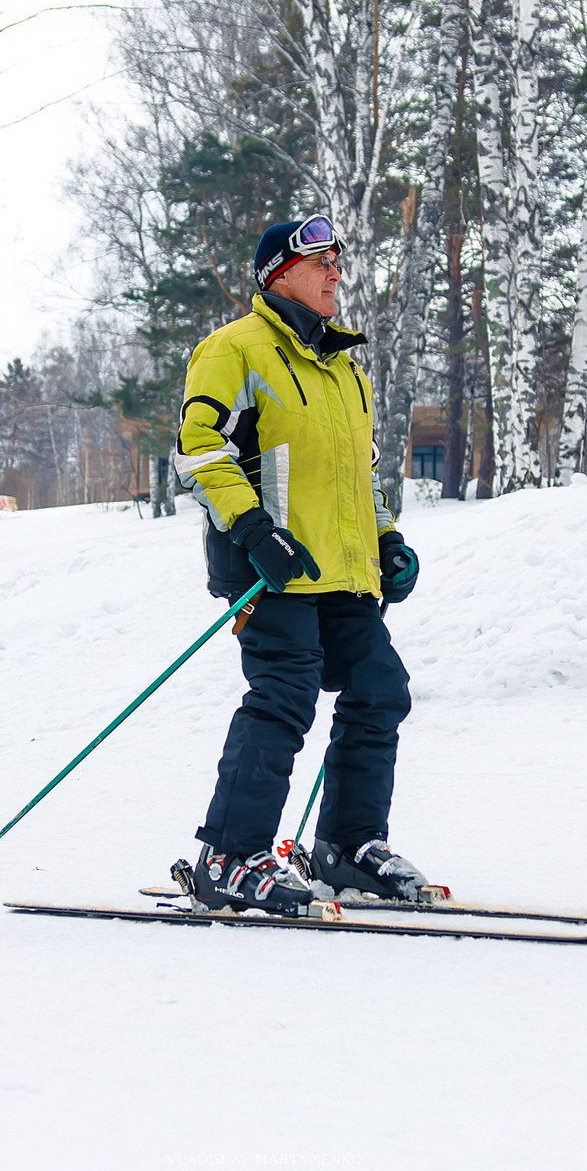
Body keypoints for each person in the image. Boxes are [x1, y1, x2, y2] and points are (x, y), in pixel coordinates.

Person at [171, 214, 426, 915]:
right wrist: (254, 531)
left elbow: (360, 477)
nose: (336, 276)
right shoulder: (234, 350)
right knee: (284, 696)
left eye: (339, 264)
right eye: (322, 263)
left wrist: (388, 542)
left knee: (381, 689)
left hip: (343, 574)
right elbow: (199, 449)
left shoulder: (347, 371)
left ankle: (348, 849)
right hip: (273, 570)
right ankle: (229, 856)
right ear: (278, 272)